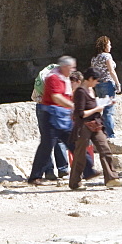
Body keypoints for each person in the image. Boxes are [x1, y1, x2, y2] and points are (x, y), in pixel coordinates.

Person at [69, 68, 121, 189]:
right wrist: (97, 109)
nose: (97, 83)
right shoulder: (81, 92)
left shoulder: (91, 90)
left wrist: (106, 102)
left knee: (105, 150)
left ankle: (111, 178)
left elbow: (93, 103)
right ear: (90, 79)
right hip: (83, 126)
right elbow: (81, 113)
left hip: (96, 124)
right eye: (96, 80)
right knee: (80, 154)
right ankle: (75, 183)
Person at [27, 56, 76, 185]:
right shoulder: (56, 77)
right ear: (65, 67)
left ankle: (50, 171)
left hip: (46, 108)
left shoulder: (51, 74)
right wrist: (72, 107)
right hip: (51, 111)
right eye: (71, 68)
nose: (73, 70)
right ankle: (61, 169)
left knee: (52, 141)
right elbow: (57, 96)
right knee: (50, 142)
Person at [91, 36, 121, 140]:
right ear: (105, 45)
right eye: (109, 44)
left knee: (101, 109)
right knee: (109, 111)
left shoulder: (94, 58)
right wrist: (117, 83)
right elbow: (111, 71)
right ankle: (110, 135)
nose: (111, 46)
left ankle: (101, 132)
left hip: (98, 85)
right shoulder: (107, 56)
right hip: (107, 84)